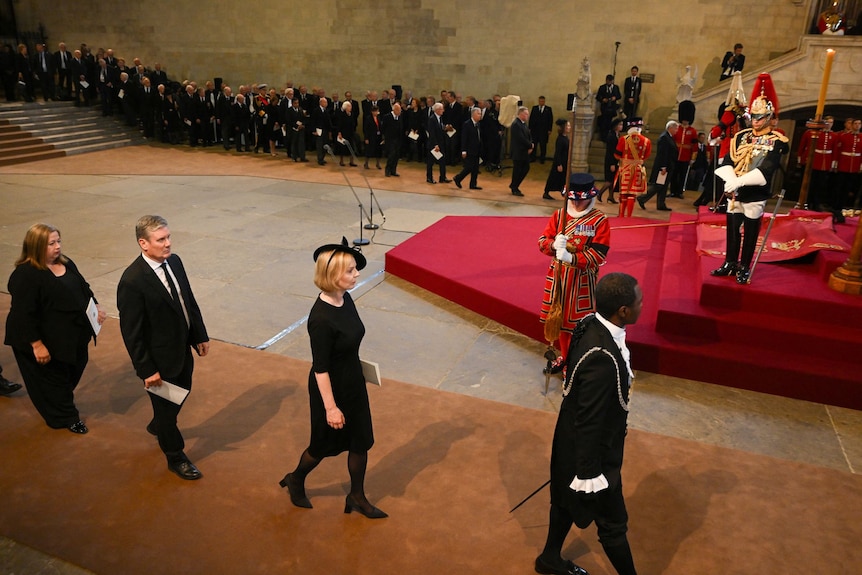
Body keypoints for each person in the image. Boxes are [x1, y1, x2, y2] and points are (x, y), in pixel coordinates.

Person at [536, 272, 643, 575]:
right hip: (592, 456)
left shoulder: (589, 323)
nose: (642, 306)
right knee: (612, 524)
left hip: (569, 442)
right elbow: (589, 420)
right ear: (623, 311)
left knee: (564, 500)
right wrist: (589, 473)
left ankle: (549, 558)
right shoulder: (602, 357)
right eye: (640, 302)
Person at [280, 238, 387, 519]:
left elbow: (348, 344)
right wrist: (331, 407)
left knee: (360, 441)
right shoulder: (321, 319)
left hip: (352, 383)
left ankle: (357, 496)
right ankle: (296, 478)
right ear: (331, 275)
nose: (357, 274)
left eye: (355, 269)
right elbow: (321, 368)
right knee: (321, 446)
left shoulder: (345, 298)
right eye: (350, 271)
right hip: (330, 389)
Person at [117, 215, 210, 480]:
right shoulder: (132, 281)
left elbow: (187, 301)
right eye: (161, 240)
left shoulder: (175, 262)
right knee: (167, 412)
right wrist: (146, 369)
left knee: (183, 391)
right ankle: (175, 456)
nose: (168, 244)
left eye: (168, 237)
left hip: (181, 349)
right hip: (157, 360)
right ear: (143, 243)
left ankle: (158, 424)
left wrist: (199, 335)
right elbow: (131, 333)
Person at [5, 223, 106, 433]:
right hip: (43, 337)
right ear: (36, 246)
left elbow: (83, 286)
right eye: (51, 243)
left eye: (58, 241)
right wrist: (37, 344)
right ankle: (66, 417)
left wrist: (95, 305)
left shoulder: (66, 263)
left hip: (70, 334)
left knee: (77, 365)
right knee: (55, 378)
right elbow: (24, 314)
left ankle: (58, 401)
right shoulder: (25, 275)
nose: (57, 247)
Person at [712, 73, 789, 284]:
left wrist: (740, 181)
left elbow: (766, 170)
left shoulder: (777, 141)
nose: (755, 121)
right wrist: (729, 179)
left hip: (754, 193)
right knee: (732, 228)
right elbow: (728, 159)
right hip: (734, 193)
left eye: (760, 117)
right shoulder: (741, 136)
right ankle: (730, 262)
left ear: (769, 117)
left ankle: (744, 266)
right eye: (753, 117)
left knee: (750, 232)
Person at [538, 174, 611, 376]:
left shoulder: (599, 220)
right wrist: (553, 245)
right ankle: (564, 356)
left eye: (582, 199)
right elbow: (542, 241)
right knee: (559, 319)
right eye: (574, 199)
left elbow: (598, 254)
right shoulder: (559, 215)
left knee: (578, 324)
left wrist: (572, 258)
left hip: (581, 280)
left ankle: (574, 359)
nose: (577, 203)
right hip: (559, 276)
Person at [637, 120, 679, 211]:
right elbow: (662, 154)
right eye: (676, 128)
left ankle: (661, 204)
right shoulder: (664, 138)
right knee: (659, 185)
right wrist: (663, 167)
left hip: (668, 166)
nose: (677, 130)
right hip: (663, 166)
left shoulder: (669, 137)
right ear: (670, 128)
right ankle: (642, 198)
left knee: (663, 186)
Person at [796, 116, 836, 211]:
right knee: (810, 183)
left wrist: (833, 164)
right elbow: (803, 146)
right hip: (814, 160)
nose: (829, 124)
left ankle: (816, 203)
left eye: (831, 122)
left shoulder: (834, 135)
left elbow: (834, 150)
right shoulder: (812, 133)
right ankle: (806, 202)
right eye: (828, 122)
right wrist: (800, 159)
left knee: (820, 185)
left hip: (825, 162)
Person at [614, 118, 651, 217]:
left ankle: (621, 215)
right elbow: (647, 156)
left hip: (625, 168)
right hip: (638, 169)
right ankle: (629, 216)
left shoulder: (623, 139)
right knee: (632, 193)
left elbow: (617, 154)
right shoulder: (647, 141)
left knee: (624, 192)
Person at [453, 107, 484, 190]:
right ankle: (458, 178)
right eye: (479, 114)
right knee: (469, 167)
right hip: (469, 150)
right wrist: (464, 150)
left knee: (475, 168)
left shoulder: (478, 124)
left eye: (480, 114)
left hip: (477, 149)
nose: (480, 115)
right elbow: (464, 138)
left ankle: (473, 184)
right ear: (473, 114)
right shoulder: (467, 124)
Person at [597, 119, 623, 204]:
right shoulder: (611, 136)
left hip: (615, 160)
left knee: (613, 180)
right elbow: (610, 151)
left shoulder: (616, 135)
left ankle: (610, 196)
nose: (621, 126)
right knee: (609, 180)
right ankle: (600, 193)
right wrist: (612, 163)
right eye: (620, 125)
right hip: (610, 160)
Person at [509, 106, 534, 197]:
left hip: (524, 151)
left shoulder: (523, 124)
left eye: (528, 114)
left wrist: (531, 144)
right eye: (526, 114)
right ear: (520, 114)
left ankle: (514, 185)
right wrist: (530, 145)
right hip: (518, 152)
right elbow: (520, 138)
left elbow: (528, 135)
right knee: (518, 170)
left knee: (525, 168)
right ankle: (514, 187)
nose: (527, 116)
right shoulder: (516, 124)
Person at [543, 119, 570, 200]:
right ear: (563, 128)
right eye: (567, 126)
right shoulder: (560, 139)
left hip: (565, 162)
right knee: (554, 178)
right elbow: (558, 152)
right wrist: (559, 164)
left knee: (563, 179)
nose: (569, 127)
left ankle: (563, 191)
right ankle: (546, 192)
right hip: (560, 162)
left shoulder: (565, 137)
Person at [426, 102, 450, 184]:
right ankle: (429, 178)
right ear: (437, 110)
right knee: (431, 162)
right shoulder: (432, 119)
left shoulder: (440, 118)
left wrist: (445, 128)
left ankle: (442, 177)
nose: (443, 110)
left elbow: (439, 129)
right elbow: (432, 133)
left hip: (441, 143)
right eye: (441, 109)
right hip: (434, 145)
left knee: (442, 161)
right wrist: (435, 144)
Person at [381, 102, 403, 177]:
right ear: (395, 110)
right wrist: (385, 138)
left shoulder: (399, 117)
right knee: (391, 155)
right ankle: (387, 170)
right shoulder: (387, 117)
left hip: (398, 139)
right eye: (399, 110)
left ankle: (393, 170)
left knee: (396, 156)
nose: (400, 112)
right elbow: (383, 128)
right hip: (390, 139)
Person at [530, 96, 554, 163]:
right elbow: (531, 119)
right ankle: (533, 157)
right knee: (534, 144)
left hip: (544, 130)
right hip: (535, 130)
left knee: (543, 145)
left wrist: (550, 129)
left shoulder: (548, 109)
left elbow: (550, 120)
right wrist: (530, 128)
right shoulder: (534, 108)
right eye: (540, 101)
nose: (541, 102)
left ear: (544, 101)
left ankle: (542, 158)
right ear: (538, 101)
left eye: (543, 101)